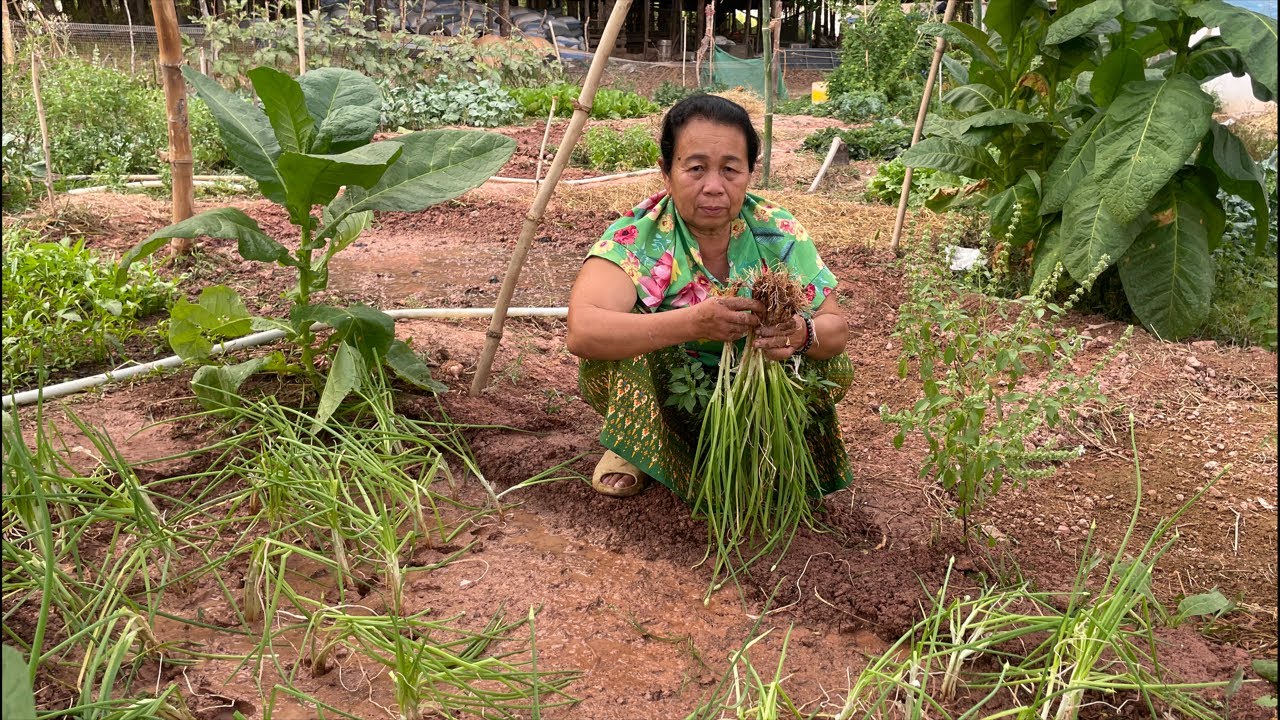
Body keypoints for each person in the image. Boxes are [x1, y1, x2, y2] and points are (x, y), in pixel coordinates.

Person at [566, 94, 854, 499]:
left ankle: (763, 444)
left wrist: (799, 333)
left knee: (830, 359)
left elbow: (835, 327)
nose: (714, 187)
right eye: (696, 168)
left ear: (750, 172)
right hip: (672, 393)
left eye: (730, 169)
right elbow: (582, 331)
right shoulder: (638, 238)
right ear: (667, 172)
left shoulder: (777, 232)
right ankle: (634, 442)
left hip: (751, 389)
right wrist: (692, 323)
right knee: (628, 343)